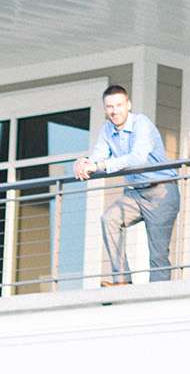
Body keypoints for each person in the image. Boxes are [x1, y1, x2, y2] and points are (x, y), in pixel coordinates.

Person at [75, 84, 180, 286]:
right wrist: (83, 163)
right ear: (105, 109)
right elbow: (97, 157)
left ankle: (157, 297)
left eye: (119, 105)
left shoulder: (142, 124)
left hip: (162, 191)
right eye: (110, 107)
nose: (115, 111)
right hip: (135, 194)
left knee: (158, 253)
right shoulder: (107, 130)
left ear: (128, 104)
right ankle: (122, 280)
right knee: (109, 219)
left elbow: (137, 158)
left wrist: (100, 165)